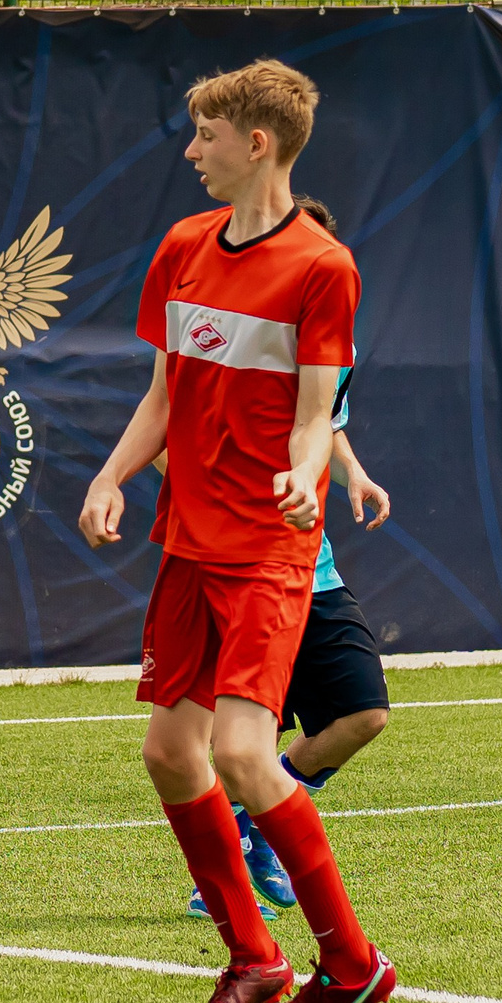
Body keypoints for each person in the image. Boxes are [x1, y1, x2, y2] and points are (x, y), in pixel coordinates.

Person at [80, 61, 394, 1003]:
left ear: (256, 143)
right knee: (170, 753)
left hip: (267, 546)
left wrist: (308, 473)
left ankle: (349, 967)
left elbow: (315, 416)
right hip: (185, 541)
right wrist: (113, 473)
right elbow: (165, 396)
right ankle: (256, 956)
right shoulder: (180, 248)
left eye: (205, 135)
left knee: (241, 753)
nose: (190, 151)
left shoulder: (320, 268)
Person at [173, 195, 394, 922]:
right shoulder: (231, 329)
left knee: (363, 713)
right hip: (242, 563)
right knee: (202, 747)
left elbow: (321, 421)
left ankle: (255, 830)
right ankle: (247, 895)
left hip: (307, 563)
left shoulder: (330, 335)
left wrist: (351, 472)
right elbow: (176, 418)